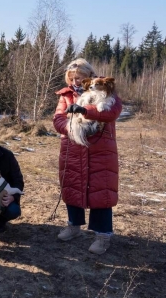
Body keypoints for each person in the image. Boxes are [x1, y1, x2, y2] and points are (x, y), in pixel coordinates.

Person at [53, 58, 122, 255]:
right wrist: (75, 128)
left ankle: (103, 235)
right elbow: (58, 120)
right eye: (72, 78)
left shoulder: (106, 89)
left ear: (89, 75)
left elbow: (113, 111)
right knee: (72, 186)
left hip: (100, 150)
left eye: (80, 77)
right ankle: (73, 226)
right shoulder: (65, 95)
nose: (75, 81)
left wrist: (86, 111)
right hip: (72, 149)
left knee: (101, 191)